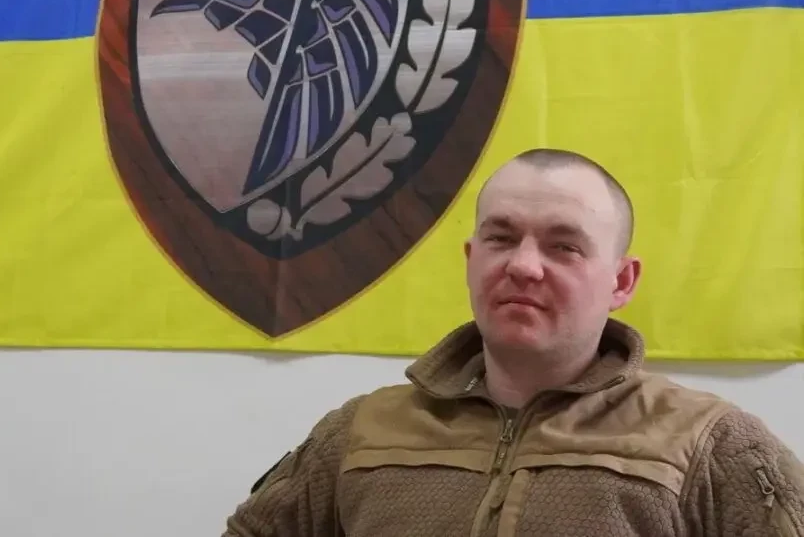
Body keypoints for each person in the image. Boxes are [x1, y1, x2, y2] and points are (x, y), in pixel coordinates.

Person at [222, 148, 804, 536]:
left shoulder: (711, 446)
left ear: (621, 281)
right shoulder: (358, 435)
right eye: (501, 239)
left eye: (563, 246)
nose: (524, 266)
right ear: (472, 260)